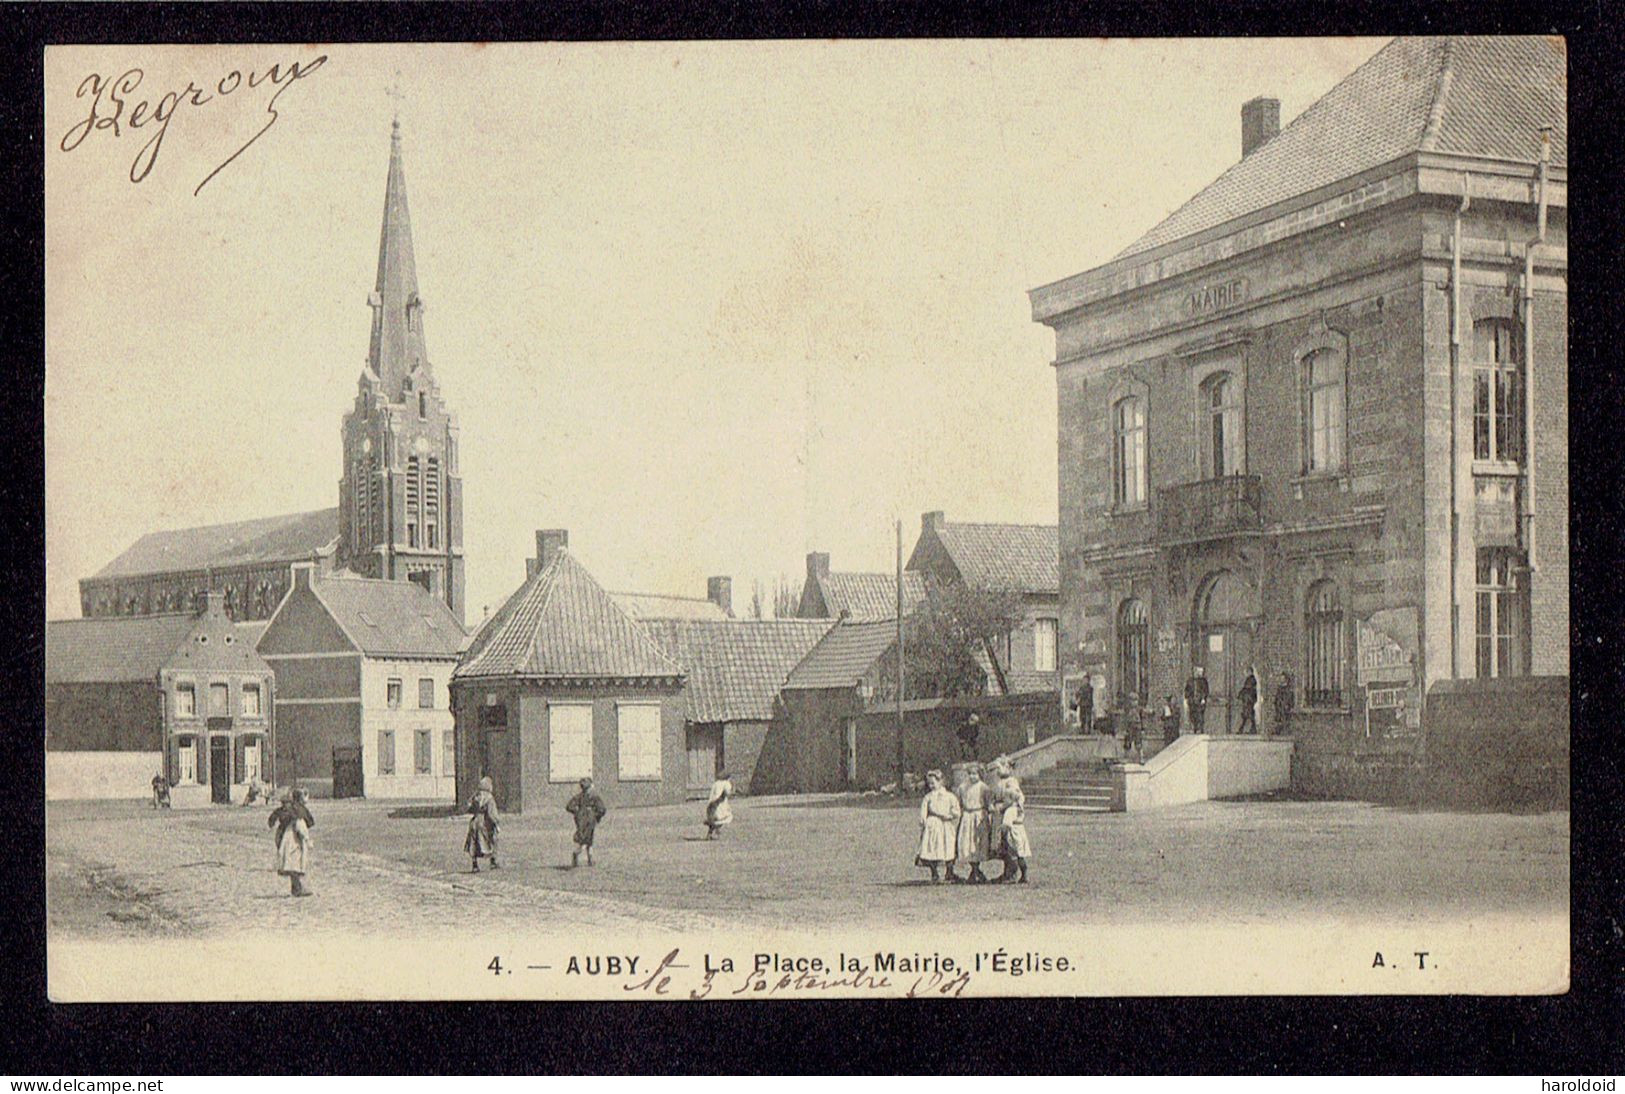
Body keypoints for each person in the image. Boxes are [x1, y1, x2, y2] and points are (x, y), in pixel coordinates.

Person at [915, 770, 961, 884]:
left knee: (948, 847)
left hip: (945, 824)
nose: (931, 786)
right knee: (933, 847)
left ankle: (949, 872)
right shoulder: (928, 797)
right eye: (929, 783)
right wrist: (923, 820)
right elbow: (924, 810)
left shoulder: (950, 796)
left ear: (941, 782)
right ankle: (934, 872)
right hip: (933, 824)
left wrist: (949, 815)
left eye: (933, 783)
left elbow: (956, 812)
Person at [990, 759, 1031, 884]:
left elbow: (1013, 798)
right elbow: (995, 797)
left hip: (1009, 820)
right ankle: (1007, 872)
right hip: (1000, 817)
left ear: (1009, 768)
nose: (999, 770)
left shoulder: (1012, 783)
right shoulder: (998, 783)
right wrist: (992, 805)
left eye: (1002, 767)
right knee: (1004, 847)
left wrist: (1003, 806)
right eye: (997, 768)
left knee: (1013, 847)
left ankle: (1014, 873)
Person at [268, 788, 315, 897]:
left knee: (292, 864)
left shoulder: (286, 812)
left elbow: (274, 820)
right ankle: (297, 889)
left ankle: (296, 887)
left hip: (287, 839)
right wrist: (307, 840)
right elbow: (301, 827)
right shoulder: (298, 812)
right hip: (294, 841)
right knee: (295, 864)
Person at [954, 764, 993, 884]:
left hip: (979, 815)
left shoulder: (984, 788)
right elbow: (958, 803)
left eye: (975, 774)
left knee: (979, 843)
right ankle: (974, 870)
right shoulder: (962, 787)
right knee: (967, 842)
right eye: (970, 774)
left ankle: (976, 870)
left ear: (980, 775)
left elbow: (988, 804)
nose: (972, 776)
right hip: (967, 816)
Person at [565, 777, 608, 868]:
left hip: (581, 820)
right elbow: (602, 809)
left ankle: (589, 859)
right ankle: (577, 854)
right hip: (589, 820)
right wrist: (596, 815)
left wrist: (577, 812)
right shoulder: (594, 797)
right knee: (585, 839)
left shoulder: (579, 797)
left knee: (587, 838)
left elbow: (569, 806)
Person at [465, 775, 500, 871]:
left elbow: (469, 808)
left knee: (473, 842)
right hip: (484, 822)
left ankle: (474, 864)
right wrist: (496, 823)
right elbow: (491, 813)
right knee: (492, 840)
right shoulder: (489, 798)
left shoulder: (476, 796)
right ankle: (493, 861)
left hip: (474, 822)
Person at [704, 771, 734, 840]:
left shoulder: (716, 783)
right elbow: (727, 793)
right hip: (720, 804)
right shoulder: (726, 783)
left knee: (715, 819)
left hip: (712, 804)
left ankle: (710, 834)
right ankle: (717, 832)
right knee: (722, 819)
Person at [1184, 666, 1210, 734]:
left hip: (1200, 700)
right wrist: (1187, 698)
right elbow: (1187, 690)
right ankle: (1194, 728)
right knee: (1193, 714)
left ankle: (1201, 729)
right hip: (1192, 700)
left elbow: (1206, 690)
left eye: (1201, 672)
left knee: (1200, 714)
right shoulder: (1190, 681)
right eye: (1198, 672)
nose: (1200, 673)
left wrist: (1203, 698)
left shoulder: (1203, 681)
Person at [1236, 670, 1260, 734]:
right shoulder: (1251, 679)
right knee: (1248, 716)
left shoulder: (1251, 679)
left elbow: (1247, 689)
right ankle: (1249, 729)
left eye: (1246, 672)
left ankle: (1243, 729)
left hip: (1248, 701)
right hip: (1248, 701)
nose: (1245, 673)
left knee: (1247, 716)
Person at [1272, 672, 1295, 736]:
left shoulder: (1289, 689)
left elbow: (1290, 698)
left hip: (1285, 707)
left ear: (1286, 679)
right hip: (1279, 707)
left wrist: (1288, 705)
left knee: (1285, 719)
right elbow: (1277, 697)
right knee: (1279, 719)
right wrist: (1276, 703)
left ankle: (1285, 731)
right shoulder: (1279, 688)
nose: (1281, 679)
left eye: (1282, 678)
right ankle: (1278, 730)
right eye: (1281, 678)